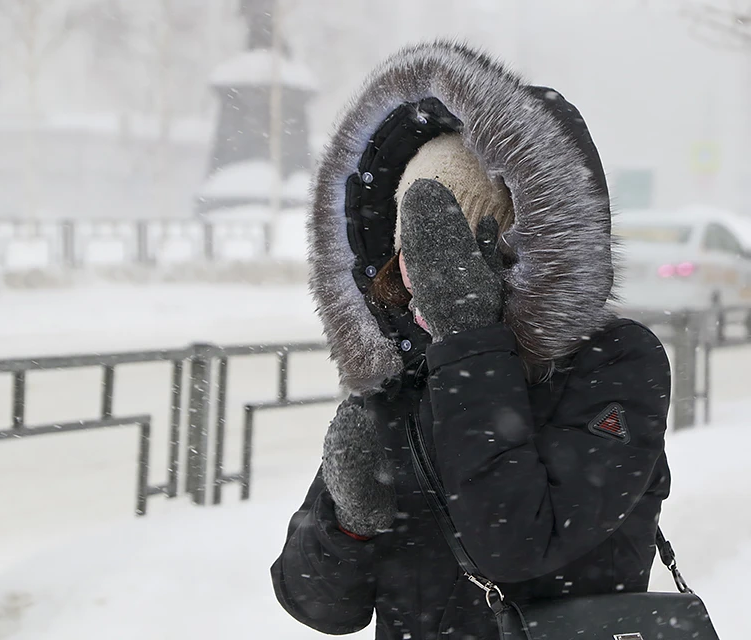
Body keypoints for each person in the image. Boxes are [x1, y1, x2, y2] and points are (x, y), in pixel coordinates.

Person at [271, 41, 672, 640]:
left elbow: (516, 544)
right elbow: (322, 608)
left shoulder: (612, 362)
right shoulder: (401, 372)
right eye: (412, 250)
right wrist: (347, 523)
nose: (421, 274)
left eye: (450, 250)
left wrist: (468, 336)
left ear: (514, 245)